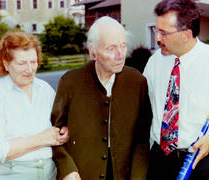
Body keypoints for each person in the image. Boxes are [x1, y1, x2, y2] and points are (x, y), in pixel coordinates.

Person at [143, 0, 209, 179]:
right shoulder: (155, 62)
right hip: (160, 160)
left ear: (186, 35)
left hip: (205, 160)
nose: (157, 38)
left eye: (163, 33)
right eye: (156, 30)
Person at [51, 16, 152, 180]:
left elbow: (142, 141)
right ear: (93, 52)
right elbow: (55, 134)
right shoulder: (70, 82)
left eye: (123, 46)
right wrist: (67, 169)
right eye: (111, 49)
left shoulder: (137, 82)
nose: (120, 55)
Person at [0, 32, 69, 180]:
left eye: (33, 62)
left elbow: (57, 125)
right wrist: (41, 139)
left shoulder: (46, 89)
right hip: (8, 174)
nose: (29, 69)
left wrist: (63, 132)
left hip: (49, 173)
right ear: (6, 64)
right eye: (22, 63)